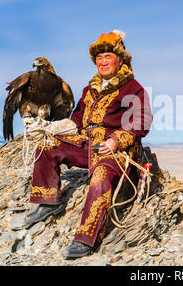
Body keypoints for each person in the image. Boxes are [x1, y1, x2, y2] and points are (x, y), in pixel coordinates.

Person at [23, 30, 152, 258]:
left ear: (119, 60)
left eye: (108, 56)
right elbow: (77, 117)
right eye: (99, 58)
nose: (103, 62)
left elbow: (141, 120)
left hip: (116, 150)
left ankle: (86, 239)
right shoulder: (89, 88)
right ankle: (48, 201)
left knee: (101, 176)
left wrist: (115, 141)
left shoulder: (134, 88)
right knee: (47, 146)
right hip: (86, 144)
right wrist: (54, 128)